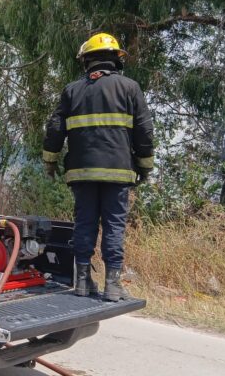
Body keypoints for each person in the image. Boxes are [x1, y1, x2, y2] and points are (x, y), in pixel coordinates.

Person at [43, 33, 154, 301]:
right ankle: (112, 285)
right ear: (116, 59)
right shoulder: (130, 88)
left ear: (86, 62)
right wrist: (145, 165)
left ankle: (83, 281)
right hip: (118, 172)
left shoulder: (72, 90)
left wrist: (50, 160)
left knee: (85, 223)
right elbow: (144, 130)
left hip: (81, 173)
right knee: (114, 225)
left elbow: (55, 127)